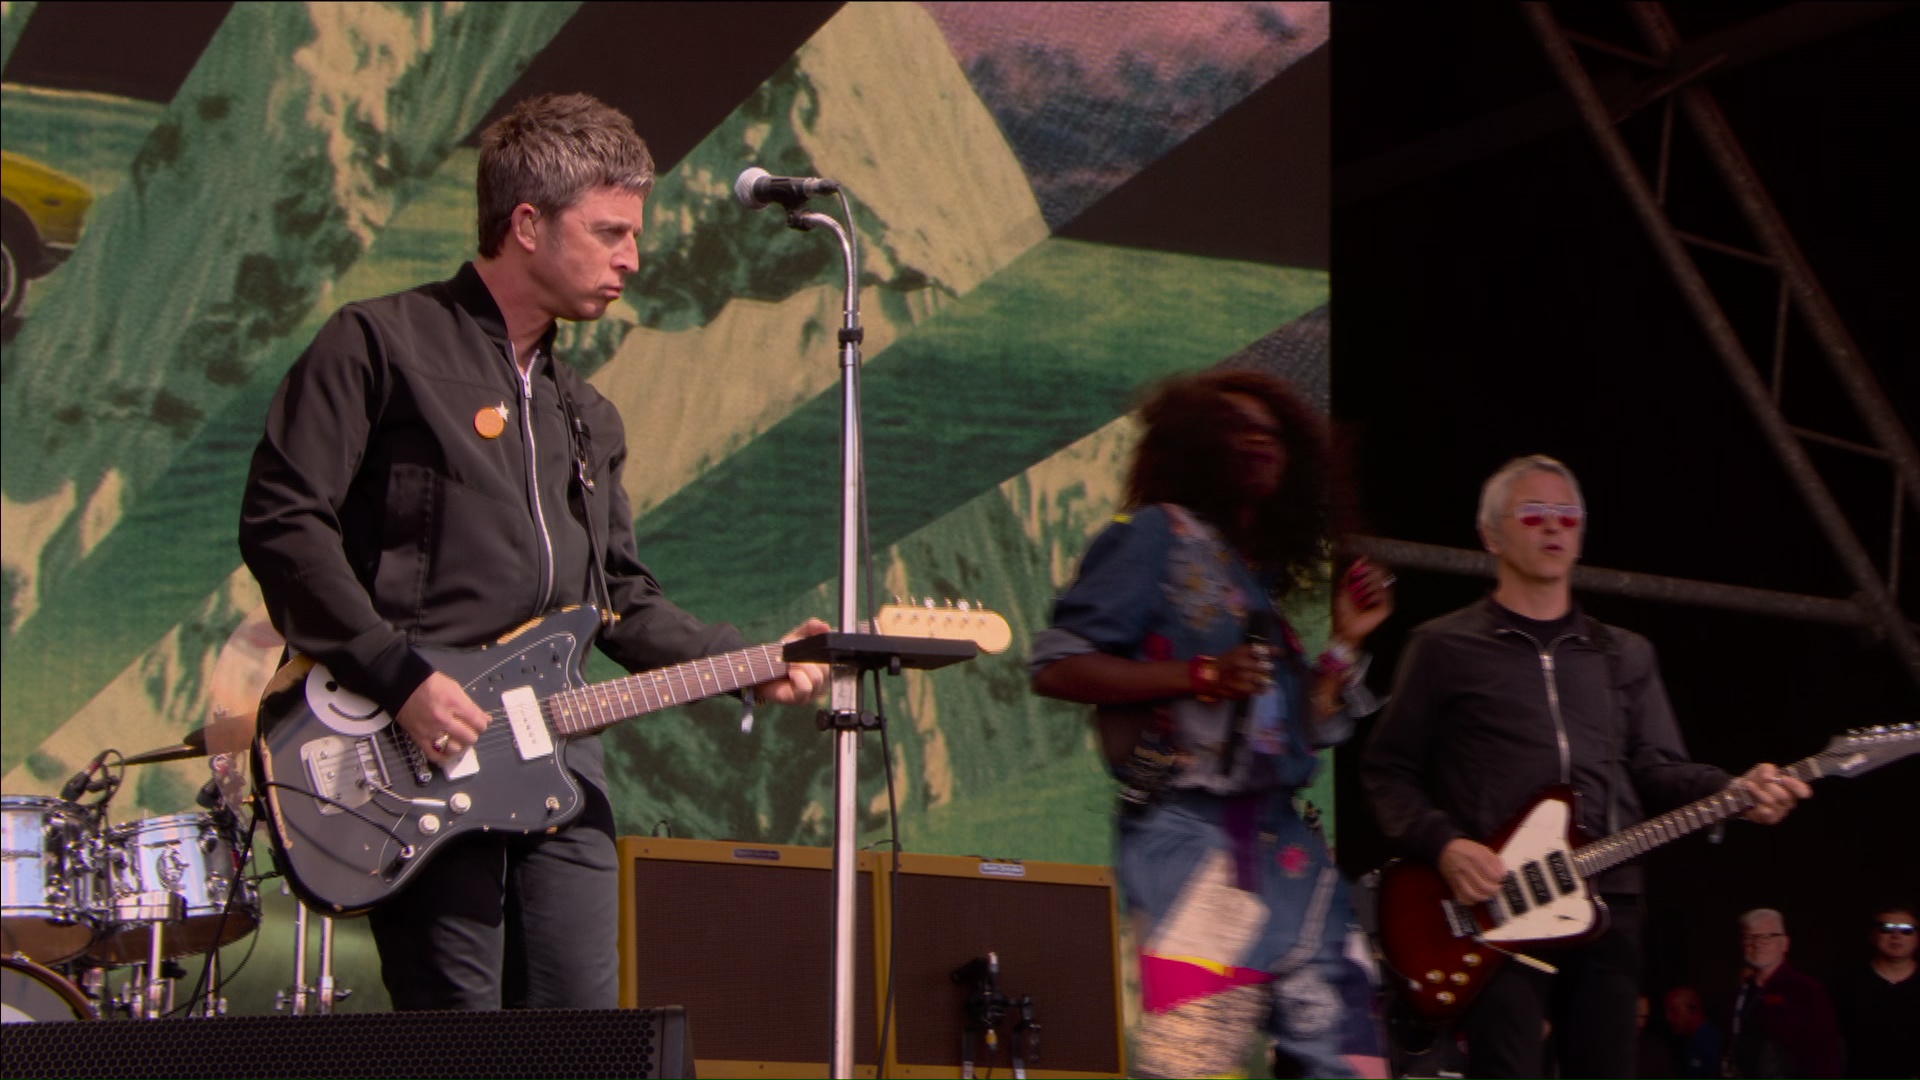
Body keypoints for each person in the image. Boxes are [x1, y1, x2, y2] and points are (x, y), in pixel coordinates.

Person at [238, 93, 825, 1010]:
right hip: (415, 746)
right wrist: (401, 678)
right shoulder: (377, 343)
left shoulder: (586, 416)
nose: (633, 258)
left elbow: (620, 601)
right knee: (461, 1029)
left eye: (634, 233)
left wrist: (747, 662)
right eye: (610, 232)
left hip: (560, 758)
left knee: (582, 1029)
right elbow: (283, 524)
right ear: (526, 224)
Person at [1360, 455, 1808, 1079]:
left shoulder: (1623, 653)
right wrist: (1446, 846)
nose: (1555, 528)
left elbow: (1657, 766)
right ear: (1491, 534)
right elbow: (1386, 769)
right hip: (1495, 908)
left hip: (1610, 898)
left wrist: (1733, 789)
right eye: (1535, 514)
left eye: (1568, 516)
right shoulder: (1443, 646)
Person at [1030, 369, 1395, 1079]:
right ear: (1194, 444)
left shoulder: (1254, 581)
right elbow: (1060, 665)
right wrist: (1199, 675)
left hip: (1288, 845)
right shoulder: (1153, 537)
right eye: (1235, 426)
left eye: (1272, 431)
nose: (1258, 439)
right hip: (1191, 835)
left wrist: (1346, 643)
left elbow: (1307, 733)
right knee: (1193, 1063)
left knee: (1347, 1056)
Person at [1726, 908, 1842, 1079]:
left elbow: (1824, 1059)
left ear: (1785, 943)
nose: (1757, 944)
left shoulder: (1807, 992)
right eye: (1750, 937)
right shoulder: (1740, 993)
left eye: (1766, 937)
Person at [1833, 904, 1918, 1079]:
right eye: (1887, 928)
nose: (1896, 936)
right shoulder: (1846, 985)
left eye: (1906, 930)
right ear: (1873, 935)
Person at [1665, 985, 1724, 1079]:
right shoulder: (1685, 1042)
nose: (1668, 1018)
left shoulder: (1713, 1043)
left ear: (1693, 1008)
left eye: (1674, 1011)